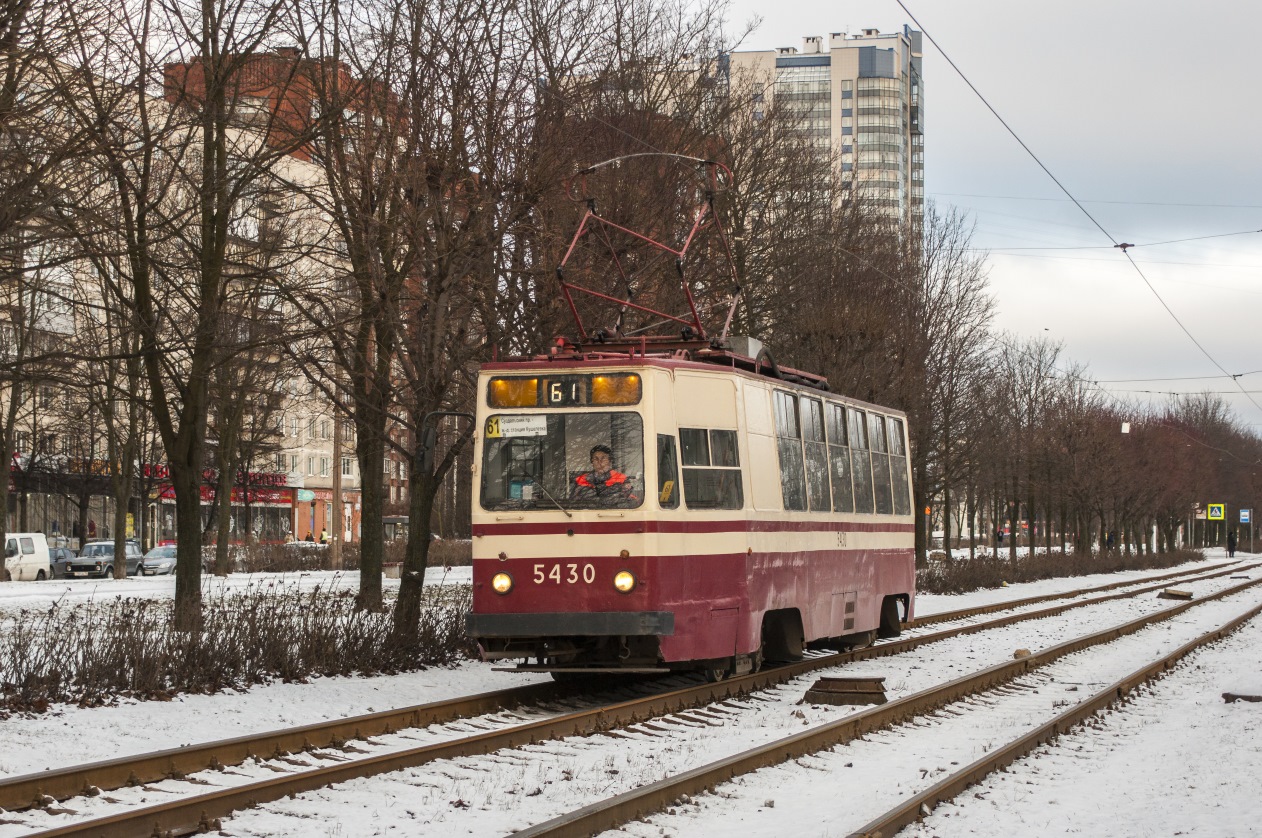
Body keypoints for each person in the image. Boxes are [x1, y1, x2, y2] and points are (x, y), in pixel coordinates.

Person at [572, 444, 636, 507]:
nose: (599, 462)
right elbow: (574, 503)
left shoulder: (621, 479)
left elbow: (629, 502)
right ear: (592, 462)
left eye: (603, 458)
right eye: (596, 459)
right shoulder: (581, 479)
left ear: (609, 461)